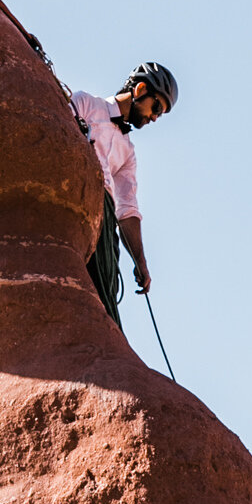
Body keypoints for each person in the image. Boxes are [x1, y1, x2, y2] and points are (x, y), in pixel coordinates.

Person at [70, 64, 178, 322]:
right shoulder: (86, 104)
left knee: (104, 299)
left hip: (104, 223)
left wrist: (140, 261)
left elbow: (126, 209)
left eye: (159, 115)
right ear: (140, 89)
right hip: (75, 192)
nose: (154, 118)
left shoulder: (127, 153)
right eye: (157, 108)